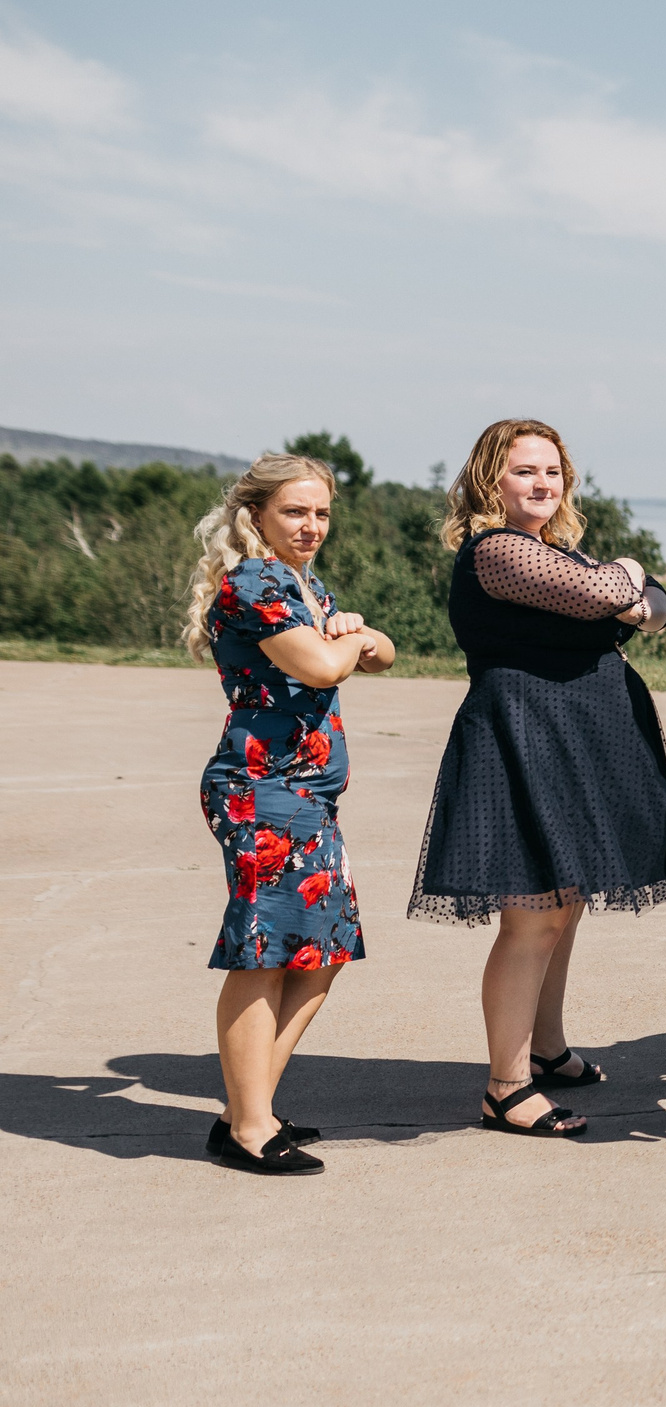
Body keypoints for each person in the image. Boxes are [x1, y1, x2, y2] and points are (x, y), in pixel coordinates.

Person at [409, 418, 666, 1140]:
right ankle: (506, 1085)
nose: (542, 483)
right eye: (524, 470)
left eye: (553, 472)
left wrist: (624, 585)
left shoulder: (556, 551)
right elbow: (615, 595)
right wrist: (623, 575)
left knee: (565, 905)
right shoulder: (498, 551)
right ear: (489, 481)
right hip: (522, 740)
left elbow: (659, 606)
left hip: (571, 743)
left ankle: (546, 1045)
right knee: (533, 915)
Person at [186, 454, 398, 1174]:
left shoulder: (303, 583)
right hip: (262, 791)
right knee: (265, 957)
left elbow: (382, 654)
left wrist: (355, 636)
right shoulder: (255, 581)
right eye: (295, 512)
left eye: (322, 513)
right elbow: (323, 667)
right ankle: (249, 1127)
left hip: (308, 796)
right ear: (256, 516)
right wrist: (349, 640)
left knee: (321, 954)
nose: (312, 526)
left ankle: (245, 1109)